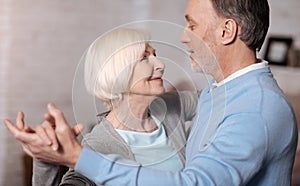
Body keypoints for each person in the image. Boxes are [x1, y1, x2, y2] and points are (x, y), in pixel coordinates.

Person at [4, 0, 298, 185]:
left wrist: (76, 155)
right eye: (145, 58)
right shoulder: (217, 90)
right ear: (118, 72)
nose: (183, 36)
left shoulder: (252, 108)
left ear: (226, 32)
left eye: (191, 24)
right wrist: (51, 158)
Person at [7, 28, 198, 186]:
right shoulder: (97, 145)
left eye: (155, 55)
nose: (161, 64)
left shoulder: (172, 105)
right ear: (118, 72)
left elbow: (218, 98)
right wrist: (45, 161)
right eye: (144, 58)